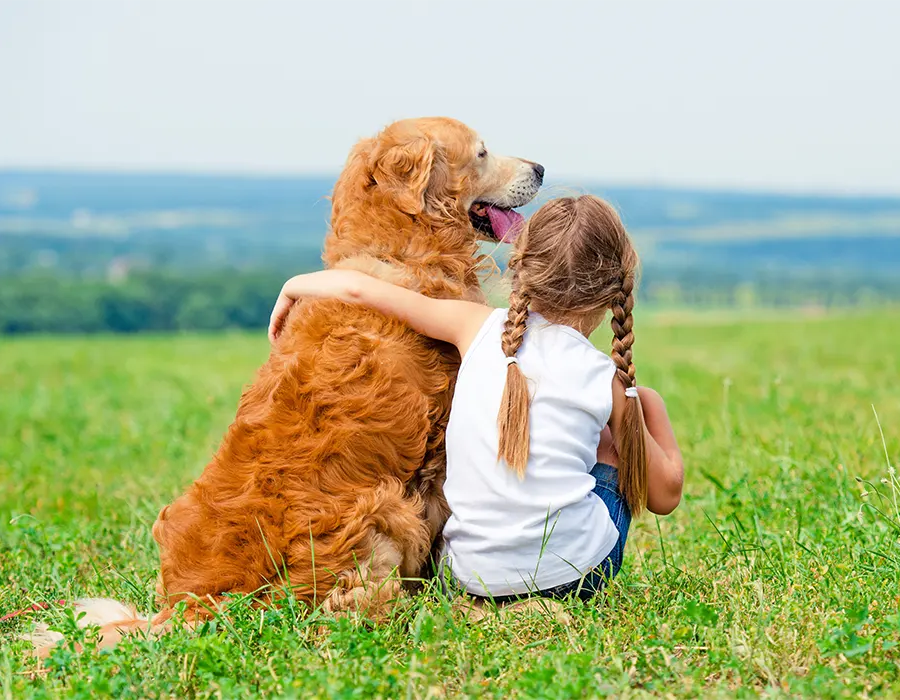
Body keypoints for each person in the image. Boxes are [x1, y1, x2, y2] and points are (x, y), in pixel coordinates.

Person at [268, 195, 685, 601]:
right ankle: (546, 582)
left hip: (465, 577)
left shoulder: (472, 326)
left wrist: (292, 286)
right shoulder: (603, 378)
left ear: (519, 268)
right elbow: (665, 496)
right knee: (611, 440)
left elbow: (360, 289)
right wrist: (647, 404)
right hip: (573, 579)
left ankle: (492, 600)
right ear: (616, 288)